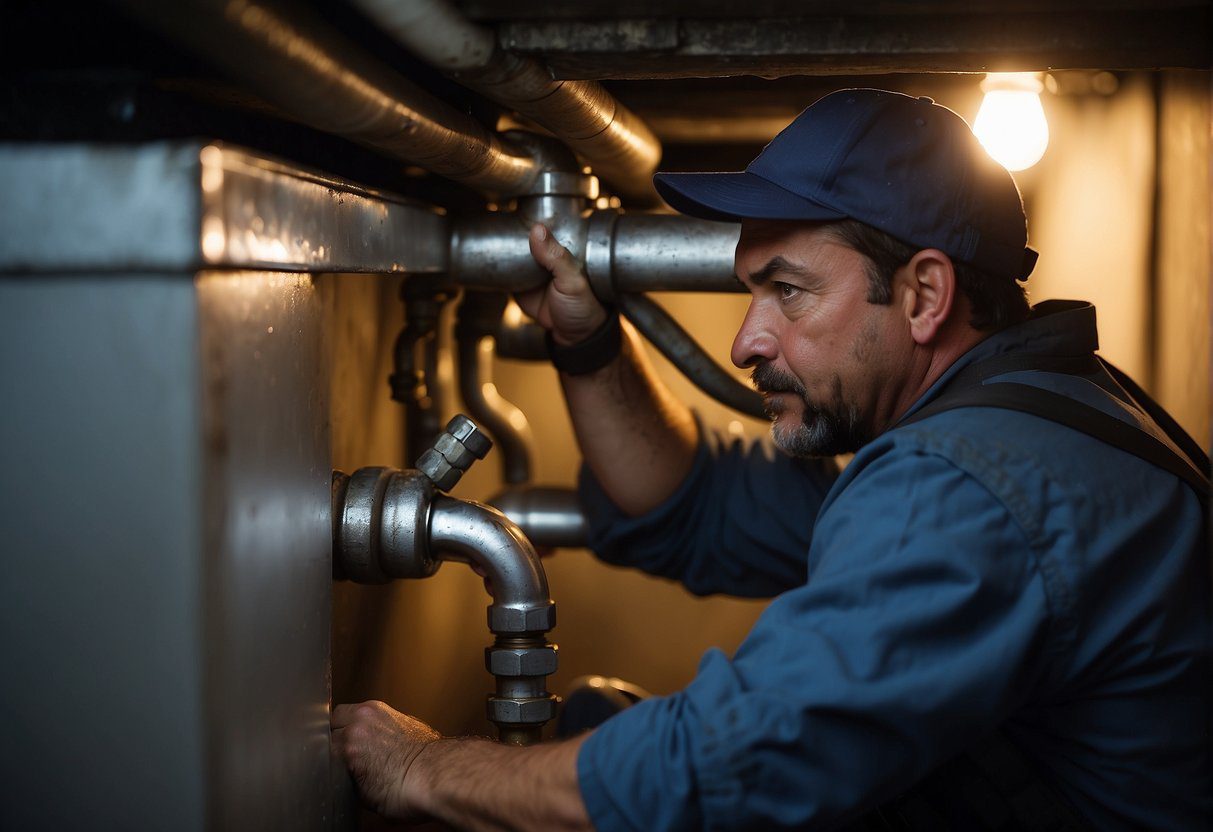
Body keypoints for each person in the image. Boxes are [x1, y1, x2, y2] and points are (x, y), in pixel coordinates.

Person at [331, 89, 1211, 830]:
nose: (749, 340)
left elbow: (726, 769)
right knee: (606, 728)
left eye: (787, 292)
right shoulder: (1029, 415)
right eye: (753, 292)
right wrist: (587, 342)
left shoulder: (968, 486)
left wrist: (423, 767)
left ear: (923, 295)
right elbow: (697, 510)